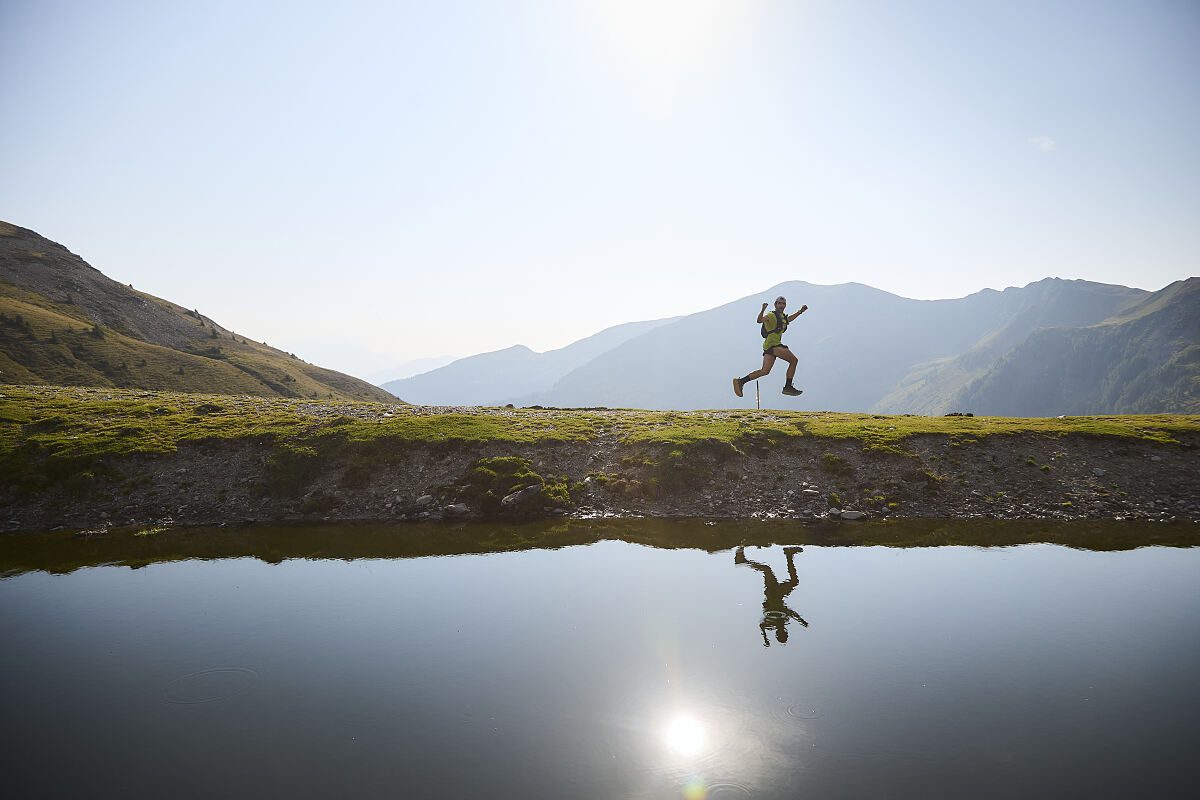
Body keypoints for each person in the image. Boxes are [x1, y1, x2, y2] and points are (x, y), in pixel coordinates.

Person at [733, 296, 808, 398]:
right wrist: (763, 309)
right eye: (779, 303)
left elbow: (789, 319)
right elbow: (759, 320)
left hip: (768, 346)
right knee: (794, 360)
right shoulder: (771, 315)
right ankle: (788, 387)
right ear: (775, 304)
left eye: (783, 304)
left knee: (764, 371)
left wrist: (800, 311)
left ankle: (741, 381)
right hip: (773, 345)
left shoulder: (782, 317)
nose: (781, 305)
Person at [735, 546, 809, 646]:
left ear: (777, 633)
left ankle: (743, 560)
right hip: (778, 594)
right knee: (791, 580)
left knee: (767, 570)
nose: (783, 631)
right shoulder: (783, 620)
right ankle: (789, 555)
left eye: (781, 633)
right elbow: (791, 613)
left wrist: (765, 637)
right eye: (784, 633)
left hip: (772, 594)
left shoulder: (772, 623)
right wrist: (801, 620)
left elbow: (762, 625)